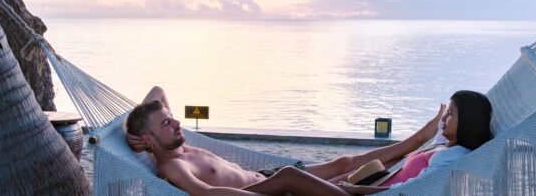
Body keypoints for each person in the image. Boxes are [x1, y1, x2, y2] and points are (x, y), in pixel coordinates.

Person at [125, 87, 492, 196]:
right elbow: (204, 194)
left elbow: (157, 93)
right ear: (148, 138)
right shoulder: (173, 163)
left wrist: (139, 131)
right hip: (263, 191)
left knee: (349, 165)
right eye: (166, 123)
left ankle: (418, 139)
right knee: (291, 173)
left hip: (261, 175)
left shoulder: (177, 143)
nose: (176, 121)